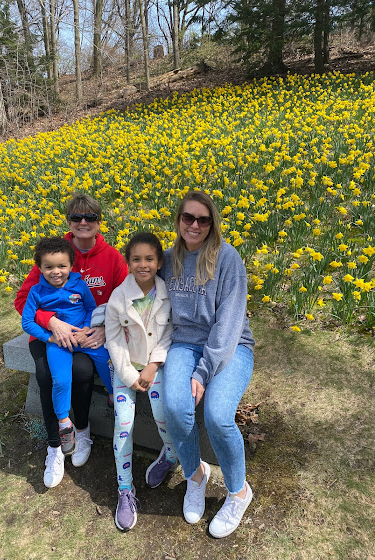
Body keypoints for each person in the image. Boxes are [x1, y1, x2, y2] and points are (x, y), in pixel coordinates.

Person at [15, 193, 127, 488]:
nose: (83, 222)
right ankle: (55, 446)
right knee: (48, 374)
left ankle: (83, 431)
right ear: (69, 221)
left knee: (84, 370)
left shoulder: (112, 258)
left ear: (100, 222)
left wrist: (102, 328)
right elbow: (23, 300)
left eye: (90, 217)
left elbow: (127, 297)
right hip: (50, 335)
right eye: (76, 217)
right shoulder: (54, 254)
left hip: (90, 332)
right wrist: (51, 323)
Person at [160, 190, 255, 539]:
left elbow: (229, 325)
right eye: (189, 218)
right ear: (179, 220)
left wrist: (204, 371)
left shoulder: (227, 259)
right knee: (175, 404)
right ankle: (196, 475)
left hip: (231, 347)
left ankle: (239, 492)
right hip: (183, 344)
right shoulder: (168, 259)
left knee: (217, 415)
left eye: (203, 219)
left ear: (212, 222)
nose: (195, 225)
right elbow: (139, 294)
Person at [105, 232, 178, 532]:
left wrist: (152, 366)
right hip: (125, 372)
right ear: (128, 262)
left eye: (149, 259)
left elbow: (170, 333)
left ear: (159, 262)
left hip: (155, 368)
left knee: (164, 415)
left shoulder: (167, 294)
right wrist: (129, 376)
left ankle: (170, 457)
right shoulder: (118, 298)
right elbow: (113, 339)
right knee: (123, 427)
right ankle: (125, 489)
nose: (143, 265)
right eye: (136, 259)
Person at [22, 237, 113, 456]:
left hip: (82, 337)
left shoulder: (79, 284)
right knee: (60, 379)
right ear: (40, 268)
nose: (56, 272)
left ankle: (114, 394)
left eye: (62, 266)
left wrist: (86, 329)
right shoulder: (36, 292)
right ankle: (64, 422)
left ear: (71, 266)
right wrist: (49, 337)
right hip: (59, 343)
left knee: (106, 360)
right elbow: (27, 322)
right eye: (49, 267)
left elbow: (91, 308)